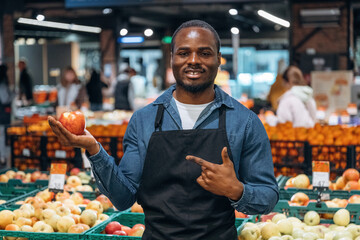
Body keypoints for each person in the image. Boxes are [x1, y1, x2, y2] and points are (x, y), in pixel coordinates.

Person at [48, 20, 279, 239]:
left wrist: (237, 190)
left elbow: (268, 196)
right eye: (184, 53)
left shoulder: (245, 122)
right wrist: (93, 150)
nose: (194, 60)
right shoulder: (144, 120)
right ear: (172, 59)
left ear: (219, 59)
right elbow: (123, 198)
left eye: (205, 53)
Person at [0, 64, 14, 165]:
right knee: (1, 136)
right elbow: (5, 99)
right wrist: (13, 94)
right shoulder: (2, 85)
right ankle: (2, 157)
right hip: (2, 115)